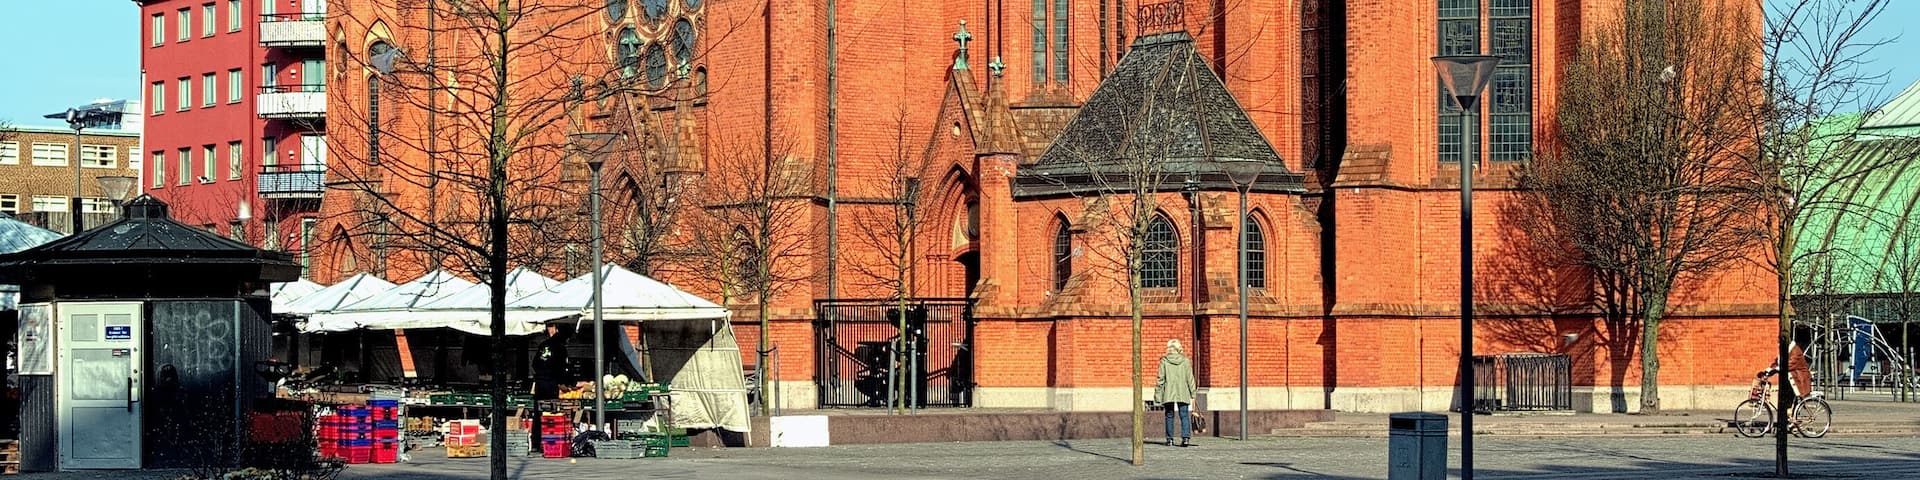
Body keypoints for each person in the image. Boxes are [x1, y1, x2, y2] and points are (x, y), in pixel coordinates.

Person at [531, 323, 570, 451]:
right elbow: (561, 369)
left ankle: (536, 442)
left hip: (539, 383)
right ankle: (549, 442)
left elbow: (535, 363)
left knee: (538, 412)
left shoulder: (544, 345)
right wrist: (567, 383)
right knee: (551, 413)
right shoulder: (560, 348)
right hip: (551, 384)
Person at [1154, 339, 1198, 447]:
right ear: (1179, 348)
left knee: (1169, 415)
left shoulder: (1164, 361)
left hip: (1168, 392)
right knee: (1184, 415)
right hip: (1183, 391)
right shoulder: (1185, 361)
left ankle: (1170, 440)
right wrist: (1193, 393)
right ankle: (1186, 438)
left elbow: (1160, 379)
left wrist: (1157, 394)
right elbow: (1190, 378)